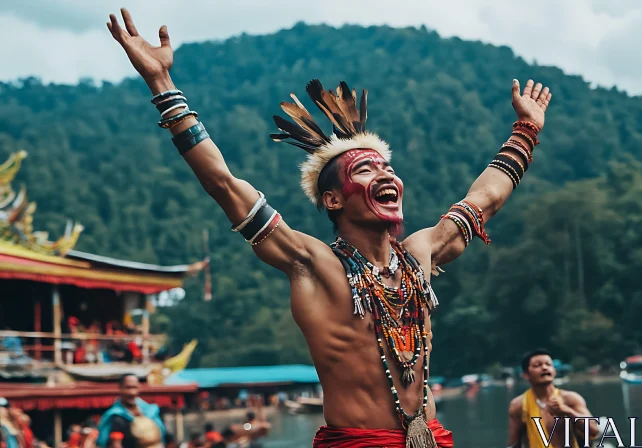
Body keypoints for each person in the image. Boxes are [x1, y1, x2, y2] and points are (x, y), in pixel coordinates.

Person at [106, 7, 552, 447]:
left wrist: (526, 129)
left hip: (429, 439)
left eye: (387, 167)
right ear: (332, 199)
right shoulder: (313, 263)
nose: (385, 175)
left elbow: (485, 199)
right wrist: (162, 83)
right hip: (357, 442)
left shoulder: (419, 253)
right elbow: (223, 182)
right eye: (364, 169)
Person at [507, 350, 599, 448]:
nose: (544, 368)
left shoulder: (570, 399)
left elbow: (594, 430)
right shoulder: (519, 405)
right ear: (526, 375)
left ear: (554, 371)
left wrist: (567, 411)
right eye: (537, 365)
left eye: (548, 364)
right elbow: (514, 443)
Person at [96, 374, 167, 448]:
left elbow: (165, 438)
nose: (132, 392)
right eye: (128, 388)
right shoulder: (116, 417)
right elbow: (112, 443)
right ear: (120, 388)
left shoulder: (151, 411)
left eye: (134, 387)